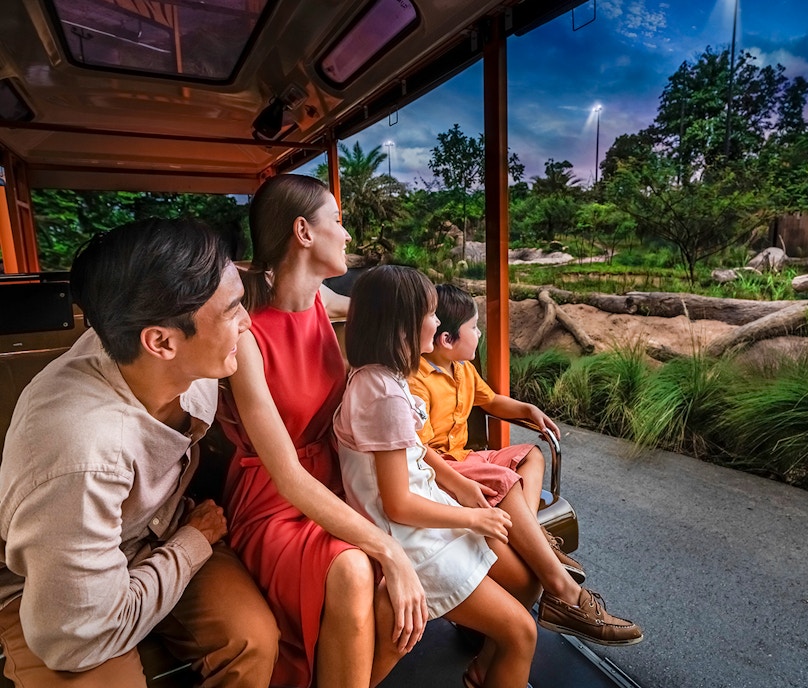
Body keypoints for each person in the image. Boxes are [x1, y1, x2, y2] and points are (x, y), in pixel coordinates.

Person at [0, 219, 279, 687]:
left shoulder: (152, 342)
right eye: (233, 311)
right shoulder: (80, 453)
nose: (249, 324)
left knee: (252, 642)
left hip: (157, 532)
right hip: (56, 592)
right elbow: (79, 637)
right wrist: (191, 544)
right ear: (162, 342)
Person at [217, 174, 426, 688]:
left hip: (336, 480)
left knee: (426, 555)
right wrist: (387, 549)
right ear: (304, 232)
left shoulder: (321, 302)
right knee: (360, 568)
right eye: (338, 220)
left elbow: (393, 316)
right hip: (274, 497)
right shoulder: (245, 336)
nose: (348, 233)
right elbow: (284, 473)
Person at [334, 265, 538, 688]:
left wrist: (461, 488)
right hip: (412, 540)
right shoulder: (384, 395)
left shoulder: (380, 378)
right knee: (522, 633)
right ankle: (494, 668)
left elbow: (412, 460)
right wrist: (473, 519)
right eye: (429, 313)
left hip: (427, 520)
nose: (435, 322)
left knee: (523, 580)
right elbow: (398, 504)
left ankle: (488, 671)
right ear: (403, 324)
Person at [408, 283, 584, 582]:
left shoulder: (462, 368)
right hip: (441, 469)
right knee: (506, 478)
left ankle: (530, 532)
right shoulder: (416, 382)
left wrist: (527, 409)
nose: (479, 333)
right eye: (474, 327)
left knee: (530, 455)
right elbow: (418, 450)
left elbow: (490, 401)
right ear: (447, 339)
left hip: (466, 458)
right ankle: (537, 546)